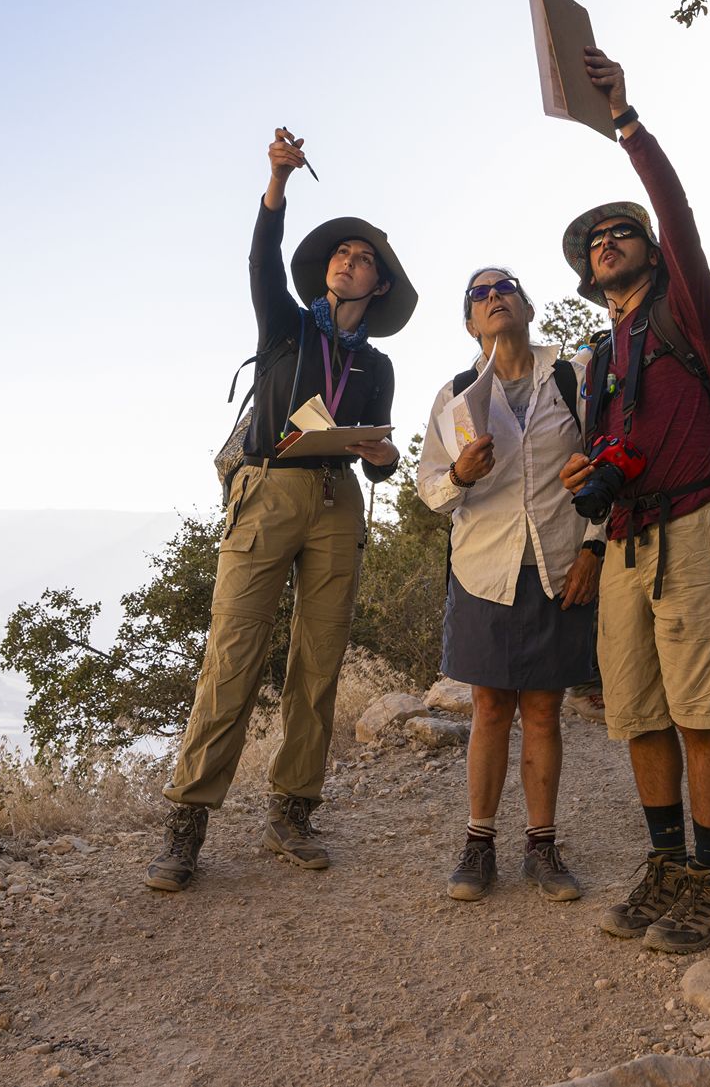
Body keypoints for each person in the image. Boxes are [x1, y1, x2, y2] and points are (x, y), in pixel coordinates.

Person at [145, 128, 416, 893]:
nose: (346, 260)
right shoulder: (287, 324)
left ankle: (292, 811)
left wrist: (383, 459)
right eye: (340, 253)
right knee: (232, 653)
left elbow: (382, 449)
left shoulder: (379, 363)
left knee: (318, 661)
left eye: (361, 258)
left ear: (380, 286)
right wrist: (277, 182)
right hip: (266, 491)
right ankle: (187, 822)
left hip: (337, 499)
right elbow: (262, 261)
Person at [558, 49, 710, 955]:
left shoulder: (685, 313)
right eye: (595, 241)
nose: (608, 242)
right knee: (637, 712)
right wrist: (589, 503)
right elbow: (612, 453)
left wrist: (626, 123)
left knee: (699, 709)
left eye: (619, 232)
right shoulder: (598, 360)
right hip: (629, 541)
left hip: (698, 525)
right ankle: (667, 862)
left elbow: (675, 212)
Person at [418, 268, 605, 903]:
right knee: (491, 709)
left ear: (527, 305)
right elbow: (431, 492)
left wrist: (595, 547)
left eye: (505, 288)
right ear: (471, 323)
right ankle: (478, 846)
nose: (493, 296)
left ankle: (543, 847)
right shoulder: (453, 397)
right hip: (483, 571)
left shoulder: (573, 378)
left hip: (557, 565)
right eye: (478, 294)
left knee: (546, 711)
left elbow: (602, 465)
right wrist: (462, 477)